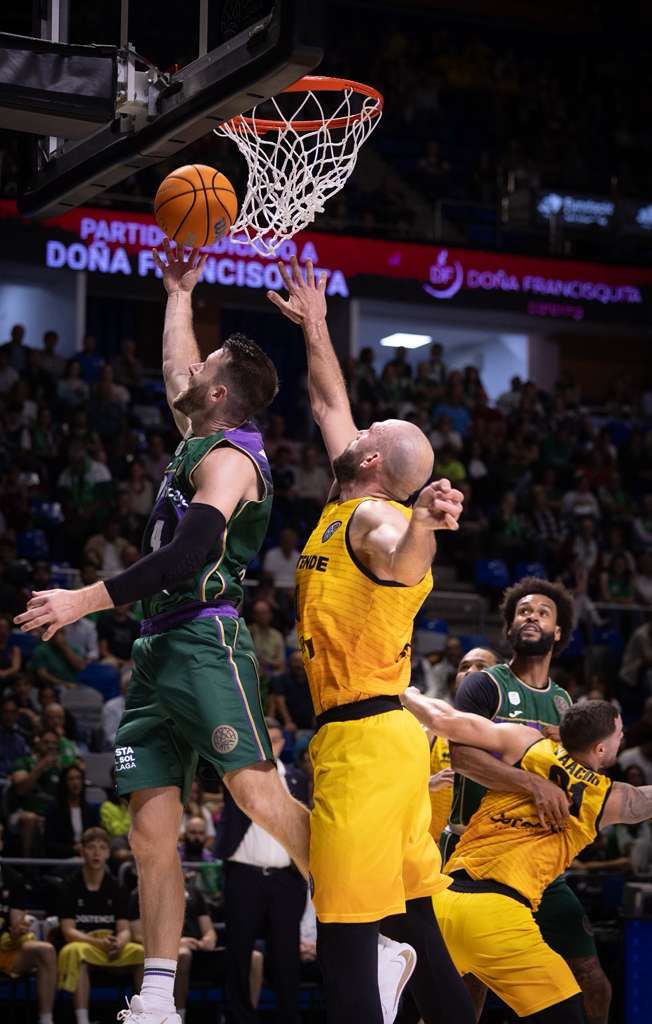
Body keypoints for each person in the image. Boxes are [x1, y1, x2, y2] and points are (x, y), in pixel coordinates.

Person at [16, 242, 310, 1024]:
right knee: (150, 832)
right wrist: (179, 293)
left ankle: (358, 921)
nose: (187, 374)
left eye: (204, 367)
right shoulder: (199, 430)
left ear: (220, 393)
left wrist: (84, 600)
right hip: (155, 648)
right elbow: (178, 367)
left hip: (206, 642)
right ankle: (155, 998)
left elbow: (188, 551)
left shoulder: (233, 462)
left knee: (257, 793)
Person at [267, 256, 472, 1024]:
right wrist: (317, 324)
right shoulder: (347, 490)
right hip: (387, 742)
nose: (356, 425)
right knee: (417, 924)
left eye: (370, 429)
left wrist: (422, 526)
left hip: (364, 745)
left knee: (347, 948)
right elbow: (327, 399)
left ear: (374, 459)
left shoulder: (375, 516)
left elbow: (400, 560)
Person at [405, 694, 648, 1023]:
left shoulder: (526, 743)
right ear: (601, 749)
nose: (622, 738)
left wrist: (407, 692)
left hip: (441, 903)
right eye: (619, 734)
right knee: (570, 1015)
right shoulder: (610, 798)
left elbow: (444, 720)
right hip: (498, 915)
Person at [441, 578, 611, 1024]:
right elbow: (461, 756)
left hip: (538, 864)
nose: (530, 616)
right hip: (477, 856)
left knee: (592, 978)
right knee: (470, 979)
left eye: (542, 612)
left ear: (559, 633)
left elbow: (581, 780)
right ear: (509, 626)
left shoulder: (564, 702)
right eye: (522, 611)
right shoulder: (484, 685)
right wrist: (532, 784)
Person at [218, 718, 308, 1024]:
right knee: (238, 951)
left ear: (283, 743)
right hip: (244, 876)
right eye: (264, 739)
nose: (271, 745)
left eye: (276, 739)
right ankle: (238, 1016)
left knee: (286, 954)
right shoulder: (237, 773)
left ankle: (289, 1016)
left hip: (286, 880)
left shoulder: (297, 779)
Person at [58, 827, 144, 1018]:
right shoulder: (69, 886)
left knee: (141, 953)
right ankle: (82, 1019)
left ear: (107, 853)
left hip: (111, 947)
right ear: (82, 851)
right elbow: (68, 931)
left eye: (102, 847)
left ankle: (142, 1017)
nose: (96, 852)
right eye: (91, 847)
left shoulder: (116, 887)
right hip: (87, 945)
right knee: (75, 952)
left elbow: (124, 929)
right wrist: (98, 943)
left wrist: (120, 942)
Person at [428, 648, 498, 846]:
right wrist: (426, 784)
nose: (470, 671)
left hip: (487, 848)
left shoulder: (510, 732)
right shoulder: (431, 730)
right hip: (433, 852)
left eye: (481, 667)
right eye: (464, 667)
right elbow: (395, 786)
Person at [129, 880, 216, 1024]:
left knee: (254, 958)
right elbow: (137, 936)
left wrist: (207, 940)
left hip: (199, 951)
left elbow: (209, 930)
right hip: (164, 952)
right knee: (183, 954)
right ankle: (177, 1016)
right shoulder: (139, 893)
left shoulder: (193, 891)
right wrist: (177, 943)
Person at [0, 823, 57, 1024]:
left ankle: (46, 1019)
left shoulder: (12, 879)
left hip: (5, 951)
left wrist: (17, 931)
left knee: (46, 950)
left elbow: (15, 923)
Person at [44, 763, 100, 859]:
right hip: (63, 859)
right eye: (71, 779)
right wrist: (73, 849)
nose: (75, 782)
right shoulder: (55, 810)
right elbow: (49, 845)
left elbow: (96, 837)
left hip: (87, 857)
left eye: (78, 778)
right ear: (64, 783)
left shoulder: (90, 810)